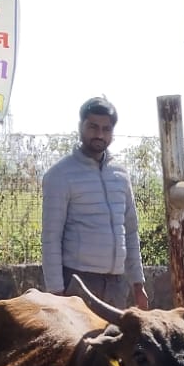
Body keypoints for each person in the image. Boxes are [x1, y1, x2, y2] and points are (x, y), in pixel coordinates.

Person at [40, 96, 148, 310]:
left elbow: (130, 232)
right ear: (80, 126)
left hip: (117, 286)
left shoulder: (120, 175)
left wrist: (138, 284)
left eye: (106, 129)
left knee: (115, 334)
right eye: (93, 127)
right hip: (78, 284)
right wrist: (56, 292)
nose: (99, 134)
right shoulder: (60, 175)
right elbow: (51, 238)